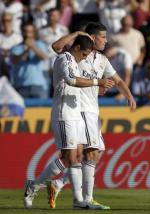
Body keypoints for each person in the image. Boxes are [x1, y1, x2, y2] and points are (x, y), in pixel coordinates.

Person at [48, 22, 136, 209]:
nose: (106, 40)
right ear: (93, 38)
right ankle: (85, 199)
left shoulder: (101, 59)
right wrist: (78, 32)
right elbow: (57, 48)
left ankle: (60, 183)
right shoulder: (77, 56)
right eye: (103, 37)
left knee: (94, 153)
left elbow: (117, 79)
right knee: (88, 153)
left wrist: (129, 95)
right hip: (80, 110)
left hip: (93, 111)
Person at [23, 35, 115, 209]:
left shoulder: (79, 60)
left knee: (76, 157)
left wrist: (99, 86)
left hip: (77, 113)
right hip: (64, 112)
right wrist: (98, 82)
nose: (86, 57)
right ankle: (36, 186)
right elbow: (72, 80)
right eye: (85, 53)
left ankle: (77, 200)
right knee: (70, 157)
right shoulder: (64, 58)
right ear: (77, 47)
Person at [10, 22, 49, 98]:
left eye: (30, 32)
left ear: (34, 33)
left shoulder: (40, 44)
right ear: (22, 32)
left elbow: (44, 57)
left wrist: (33, 47)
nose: (28, 34)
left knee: (41, 110)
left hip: (38, 85)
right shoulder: (16, 47)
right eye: (25, 31)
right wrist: (27, 50)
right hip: (21, 86)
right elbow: (14, 61)